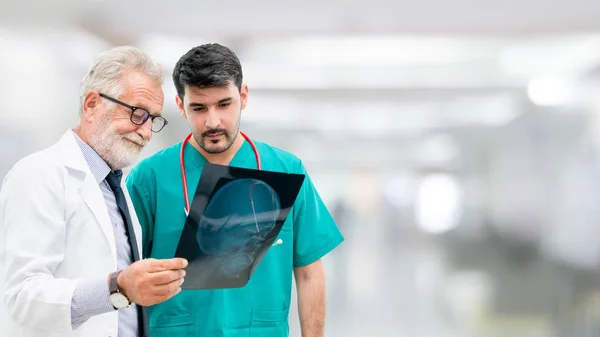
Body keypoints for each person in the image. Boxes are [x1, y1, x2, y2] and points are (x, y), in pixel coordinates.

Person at [125, 43, 345, 337]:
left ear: (243, 97)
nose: (212, 121)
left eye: (224, 104)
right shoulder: (149, 179)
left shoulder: (286, 170)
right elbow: (124, 274)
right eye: (199, 108)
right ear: (180, 106)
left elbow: (308, 272)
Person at [0, 46, 188, 337]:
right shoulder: (38, 175)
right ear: (91, 105)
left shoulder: (117, 187)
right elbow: (21, 296)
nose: (147, 132)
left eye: (153, 119)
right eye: (138, 113)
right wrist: (118, 287)